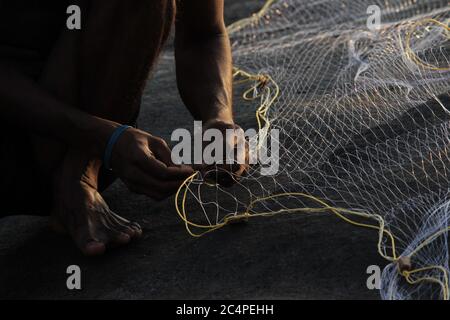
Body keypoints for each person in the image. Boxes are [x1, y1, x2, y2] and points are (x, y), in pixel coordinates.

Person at [0, 0, 248, 256]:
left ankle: (79, 170)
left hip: (98, 150)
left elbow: (203, 35)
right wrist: (103, 137)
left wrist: (218, 118)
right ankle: (75, 176)